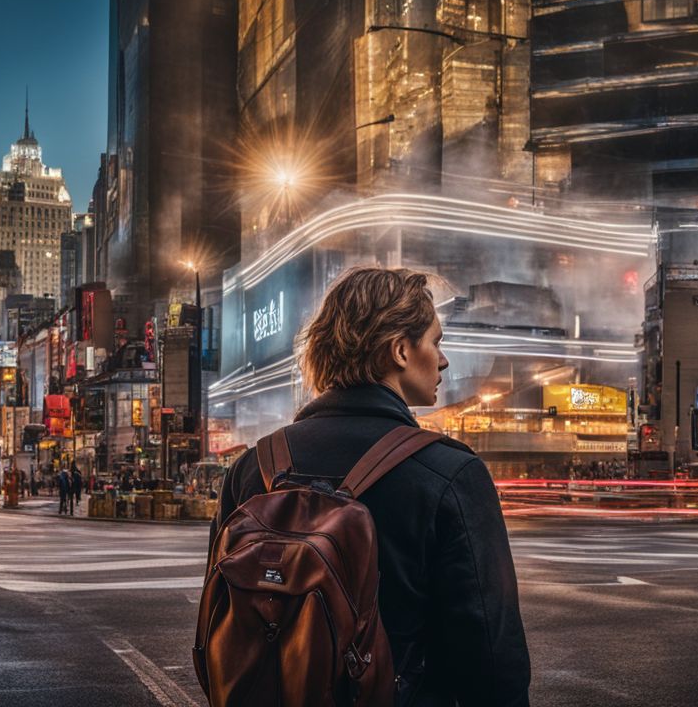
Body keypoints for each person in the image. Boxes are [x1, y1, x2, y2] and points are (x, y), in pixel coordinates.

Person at [211, 267, 530, 706]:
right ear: (400, 350)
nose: (443, 359)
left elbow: (219, 619)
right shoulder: (450, 473)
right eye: (435, 341)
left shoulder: (253, 469)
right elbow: (492, 656)